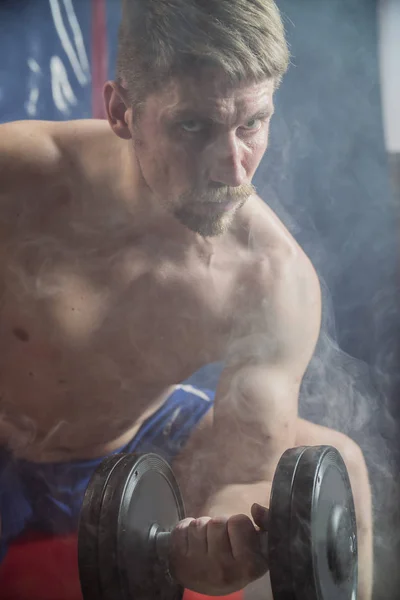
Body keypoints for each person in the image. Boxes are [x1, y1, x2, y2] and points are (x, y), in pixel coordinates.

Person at [0, 0, 372, 597]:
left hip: (125, 442)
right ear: (122, 110)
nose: (233, 167)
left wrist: (216, 544)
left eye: (251, 124)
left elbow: (245, 470)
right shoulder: (19, 174)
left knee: (342, 463)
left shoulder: (270, 279)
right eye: (194, 126)